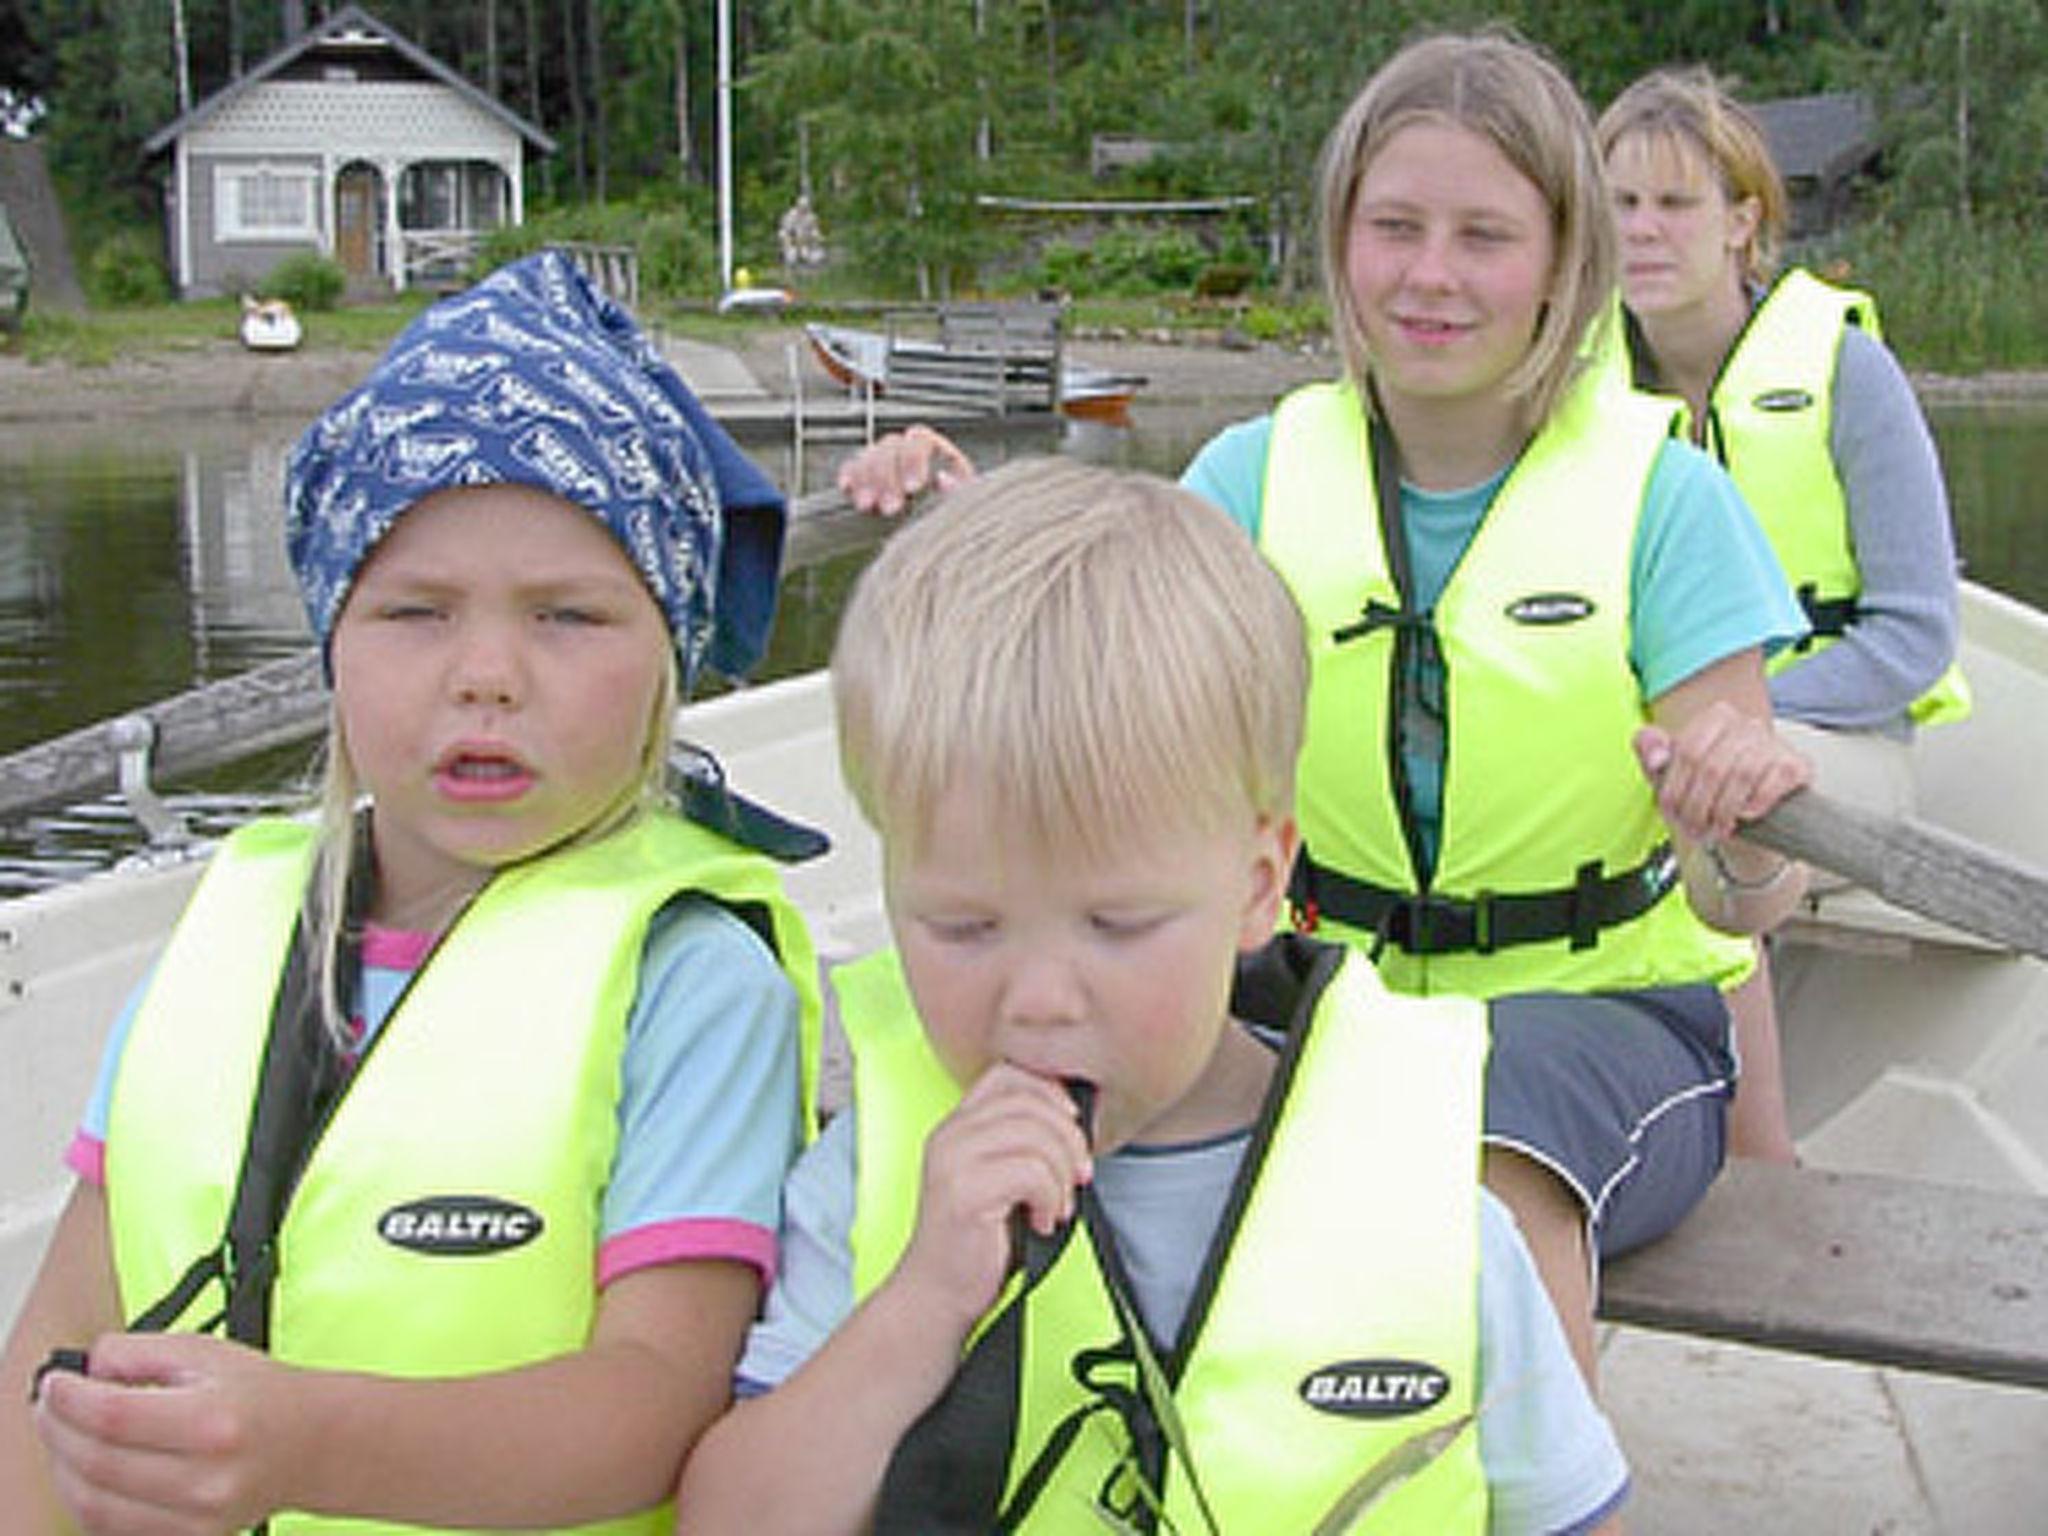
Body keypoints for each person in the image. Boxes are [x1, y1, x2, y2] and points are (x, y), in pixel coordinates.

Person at [834, 30, 1814, 1387]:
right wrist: (973, 525)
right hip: (1319, 991)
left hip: (1603, 1013)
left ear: (1562, 263)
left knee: (1472, 1154)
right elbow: (1101, 655)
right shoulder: (1252, 472)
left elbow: (1744, 903)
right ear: (1343, 240)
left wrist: (1739, 815)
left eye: (1485, 236)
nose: (1430, 275)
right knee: (1068, 1055)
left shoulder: (1669, 504)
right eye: (1395, 227)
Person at [0, 250, 820, 1535]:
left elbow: (658, 1407)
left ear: (668, 658)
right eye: (415, 613)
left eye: (567, 617)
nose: (486, 673)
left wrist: (300, 1444)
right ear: (333, 643)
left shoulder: (693, 982)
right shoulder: (238, 928)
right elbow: (56, 1336)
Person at [675, 458, 1629, 1534]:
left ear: (1257, 886)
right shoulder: (870, 1186)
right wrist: (921, 1304)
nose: (1034, 1001)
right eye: (961, 927)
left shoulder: (1429, 1205)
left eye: (1117, 926)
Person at [1598, 66, 1970, 1163]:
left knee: (1710, 786)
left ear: (1740, 221)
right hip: (1641, 736)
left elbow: (1911, 636)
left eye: (1673, 204)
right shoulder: (1573, 392)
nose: (1642, 232)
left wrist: (1731, 709)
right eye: (1618, 204)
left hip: (1839, 742)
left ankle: (1761, 1161)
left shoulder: (1847, 372)